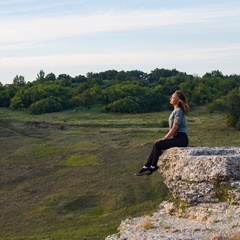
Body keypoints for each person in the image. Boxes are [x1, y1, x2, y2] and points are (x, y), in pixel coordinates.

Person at [135, 90, 189, 176]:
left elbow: (175, 128)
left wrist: (165, 138)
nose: (170, 98)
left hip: (181, 139)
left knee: (158, 144)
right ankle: (146, 167)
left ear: (178, 100)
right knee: (157, 144)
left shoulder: (178, 111)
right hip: (178, 138)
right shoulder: (176, 111)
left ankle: (152, 167)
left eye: (173, 97)